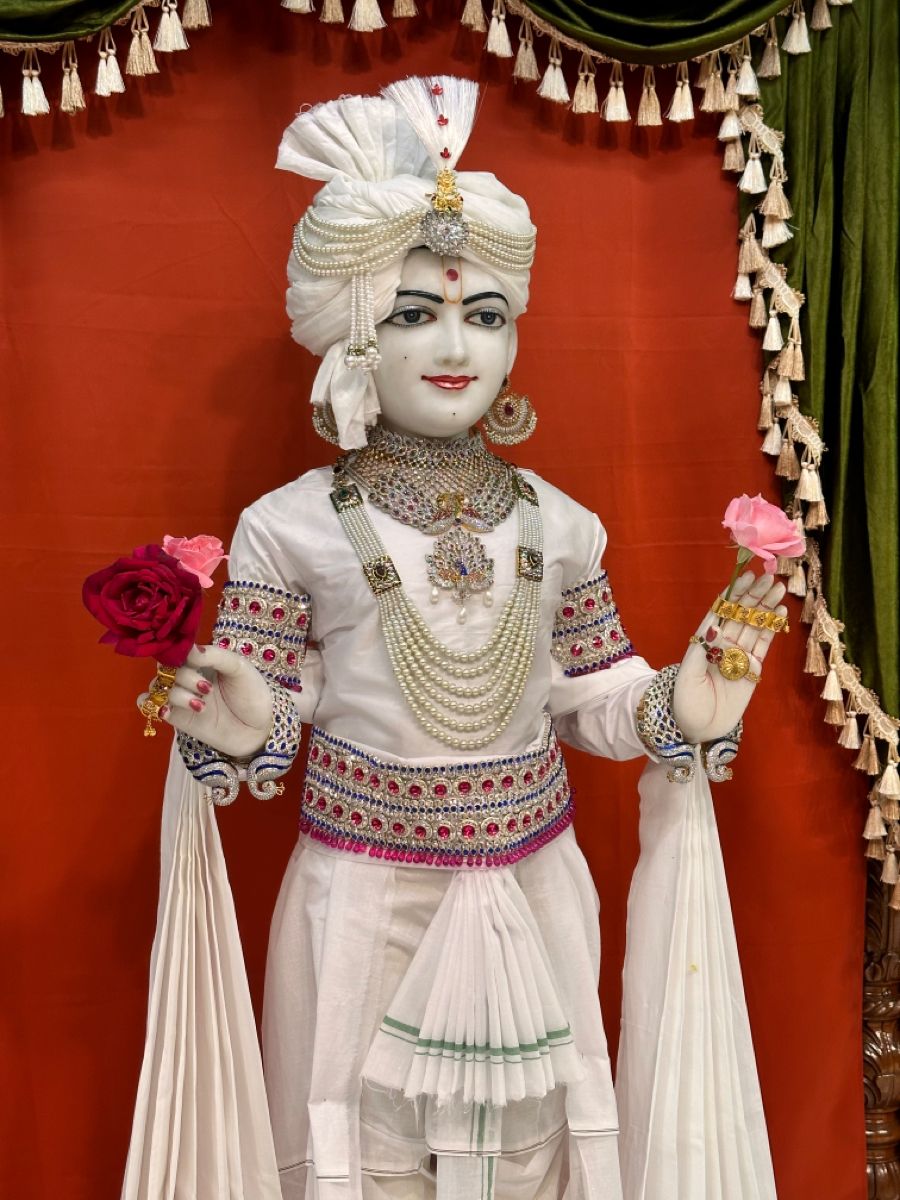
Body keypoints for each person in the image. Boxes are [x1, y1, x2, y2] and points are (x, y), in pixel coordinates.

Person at [127, 77, 783, 1200]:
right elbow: (272, 706)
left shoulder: (559, 523)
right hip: (365, 902)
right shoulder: (290, 526)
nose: (454, 346)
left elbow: (594, 694)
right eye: (414, 314)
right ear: (350, 338)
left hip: (535, 893)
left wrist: (682, 707)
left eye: (484, 316)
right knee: (360, 1163)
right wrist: (245, 725)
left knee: (537, 1163)